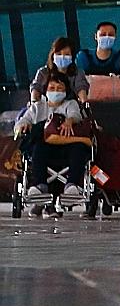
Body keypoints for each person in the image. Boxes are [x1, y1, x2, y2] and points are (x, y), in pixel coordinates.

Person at [15, 69, 91, 210]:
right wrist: (23, 125)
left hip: (66, 146)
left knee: (79, 148)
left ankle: (72, 186)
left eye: (60, 88)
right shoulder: (37, 107)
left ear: (66, 90)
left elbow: (76, 115)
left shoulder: (70, 104)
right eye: (52, 88)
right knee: (38, 146)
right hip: (45, 149)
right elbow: (22, 121)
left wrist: (69, 121)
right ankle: (39, 185)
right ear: (46, 90)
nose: (55, 91)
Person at [30, 37, 88, 105]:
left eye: (66, 54)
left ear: (72, 57)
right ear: (53, 55)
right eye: (59, 54)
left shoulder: (78, 73)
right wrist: (34, 103)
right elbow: (36, 88)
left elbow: (81, 88)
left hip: (70, 107)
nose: (62, 57)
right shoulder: (43, 72)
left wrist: (84, 103)